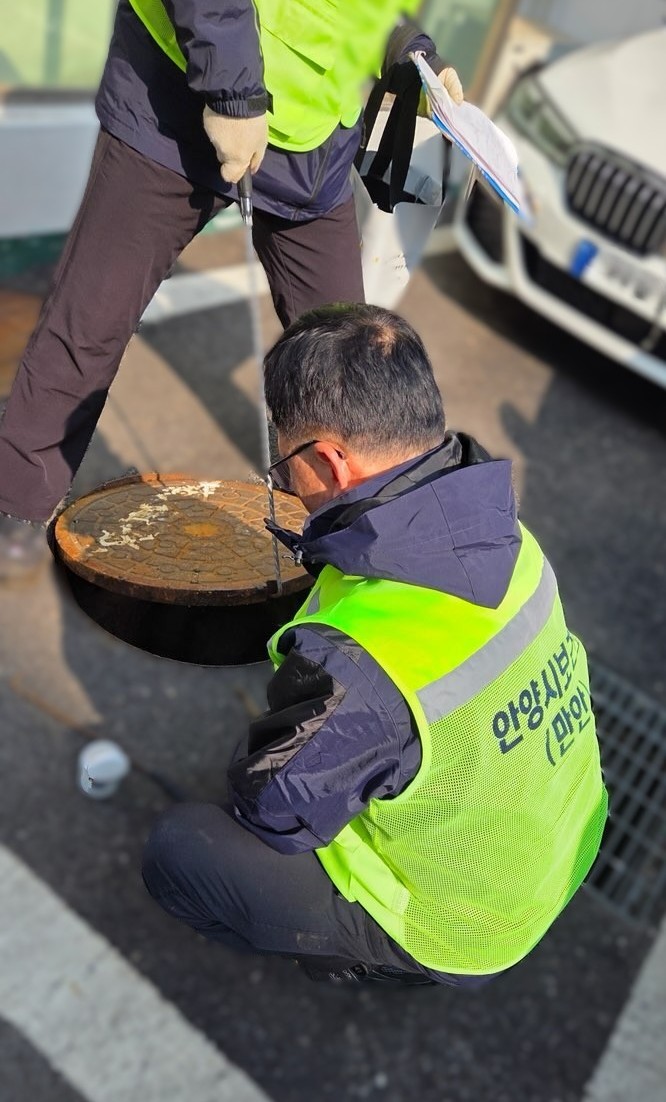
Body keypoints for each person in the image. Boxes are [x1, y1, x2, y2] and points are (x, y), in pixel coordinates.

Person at [142, 303, 608, 986]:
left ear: (331, 460)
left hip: (465, 925)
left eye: (285, 465)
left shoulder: (360, 664)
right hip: (566, 835)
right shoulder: (514, 544)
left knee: (179, 849)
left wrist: (295, 716)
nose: (286, 484)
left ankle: (360, 962)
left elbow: (272, 807)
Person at [0, 0, 463, 578]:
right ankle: (18, 499)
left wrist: (410, 50)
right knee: (90, 320)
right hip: (177, 108)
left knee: (351, 361)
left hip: (313, 146)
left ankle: (337, 521)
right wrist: (232, 92)